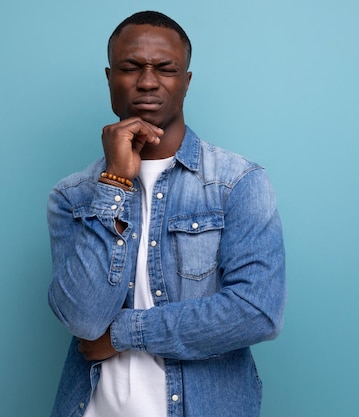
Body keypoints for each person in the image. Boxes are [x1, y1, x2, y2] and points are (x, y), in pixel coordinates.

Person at [47, 11, 286, 417]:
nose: (147, 81)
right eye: (131, 67)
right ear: (109, 78)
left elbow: (256, 311)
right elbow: (83, 321)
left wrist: (124, 333)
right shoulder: (73, 195)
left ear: (186, 82)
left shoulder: (238, 182)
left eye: (165, 68)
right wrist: (114, 184)